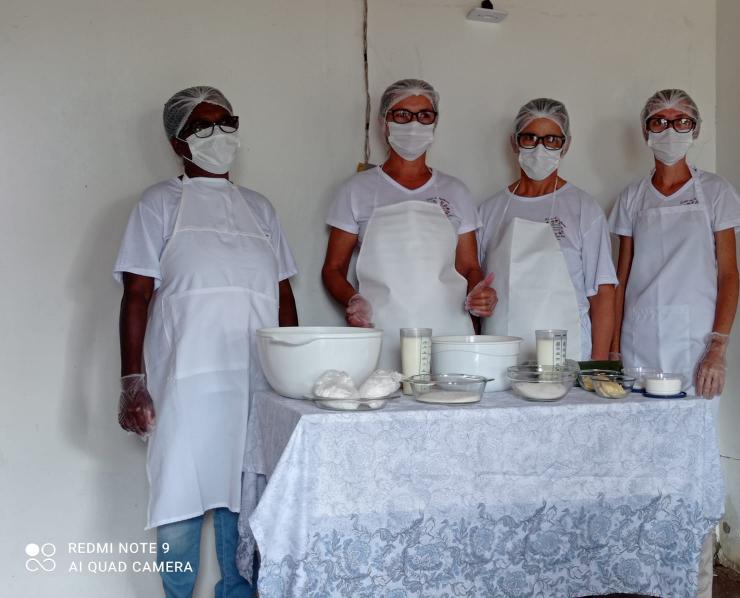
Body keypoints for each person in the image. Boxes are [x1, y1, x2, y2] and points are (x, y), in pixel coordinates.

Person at [114, 86, 298, 597]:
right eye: (202, 126)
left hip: (254, 381)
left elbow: (283, 294)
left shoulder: (260, 209)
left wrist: (293, 376)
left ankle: (238, 591)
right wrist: (133, 381)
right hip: (185, 381)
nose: (218, 135)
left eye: (226, 122)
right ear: (178, 143)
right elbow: (136, 294)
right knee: (180, 497)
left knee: (245, 499)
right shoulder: (159, 204)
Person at [321, 78, 496, 369]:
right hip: (383, 330)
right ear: (384, 122)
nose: (414, 124)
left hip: (448, 332)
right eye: (402, 115)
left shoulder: (455, 191)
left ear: (435, 123)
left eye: (424, 115)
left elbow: (468, 266)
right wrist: (353, 300)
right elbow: (333, 269)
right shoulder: (357, 190)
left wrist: (479, 292)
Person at [610, 88, 740, 399]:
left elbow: (729, 274)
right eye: (659, 121)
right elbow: (622, 276)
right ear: (646, 131)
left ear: (695, 128)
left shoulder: (716, 191)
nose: (670, 130)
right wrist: (613, 346)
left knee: (690, 429)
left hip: (695, 340)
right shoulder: (632, 197)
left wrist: (718, 345)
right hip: (639, 336)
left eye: (681, 122)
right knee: (635, 431)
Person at [478, 98, 617, 361]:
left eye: (552, 139)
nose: (540, 148)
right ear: (514, 142)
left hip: (569, 354)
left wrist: (597, 366)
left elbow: (603, 293)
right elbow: (475, 290)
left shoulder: (582, 208)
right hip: (501, 353)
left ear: (566, 145)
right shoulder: (491, 210)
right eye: (530, 138)